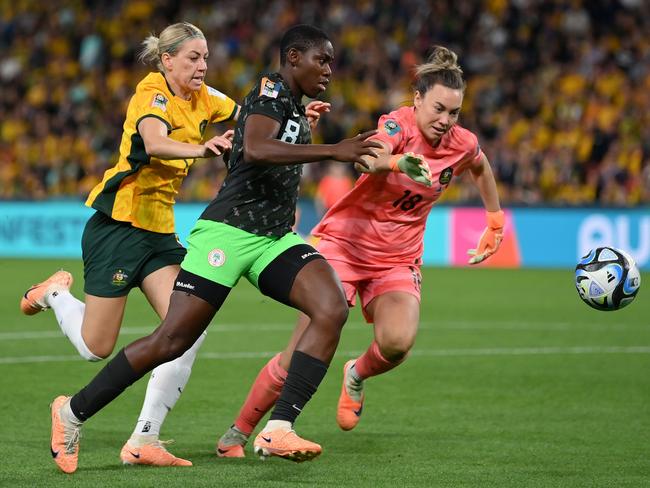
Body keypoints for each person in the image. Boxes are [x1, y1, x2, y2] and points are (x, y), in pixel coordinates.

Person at [46, 24, 431, 474]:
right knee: (171, 339)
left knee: (330, 307)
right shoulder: (268, 92)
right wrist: (332, 151)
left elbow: (269, 138)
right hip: (228, 232)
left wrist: (394, 161)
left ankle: (279, 427)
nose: (329, 68)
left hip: (271, 237)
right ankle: (71, 413)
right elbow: (256, 146)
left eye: (331, 61)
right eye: (320, 60)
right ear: (293, 59)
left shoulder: (289, 106)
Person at [215, 45, 505, 457]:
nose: (445, 121)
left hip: (398, 259)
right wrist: (396, 163)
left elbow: (479, 164)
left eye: (454, 113)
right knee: (300, 347)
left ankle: (356, 373)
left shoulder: (461, 142)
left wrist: (494, 219)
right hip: (344, 246)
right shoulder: (397, 124)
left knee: (398, 342)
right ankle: (238, 432)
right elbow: (367, 159)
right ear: (418, 98)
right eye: (438, 109)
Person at [21, 22, 239, 467]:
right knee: (95, 347)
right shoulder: (151, 92)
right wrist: (203, 149)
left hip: (159, 234)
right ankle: (56, 294)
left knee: (187, 329)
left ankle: (145, 440)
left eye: (206, 58)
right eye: (193, 58)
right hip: (118, 226)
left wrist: (295, 116)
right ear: (167, 60)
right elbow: (156, 142)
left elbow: (249, 112)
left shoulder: (207, 97)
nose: (202, 66)